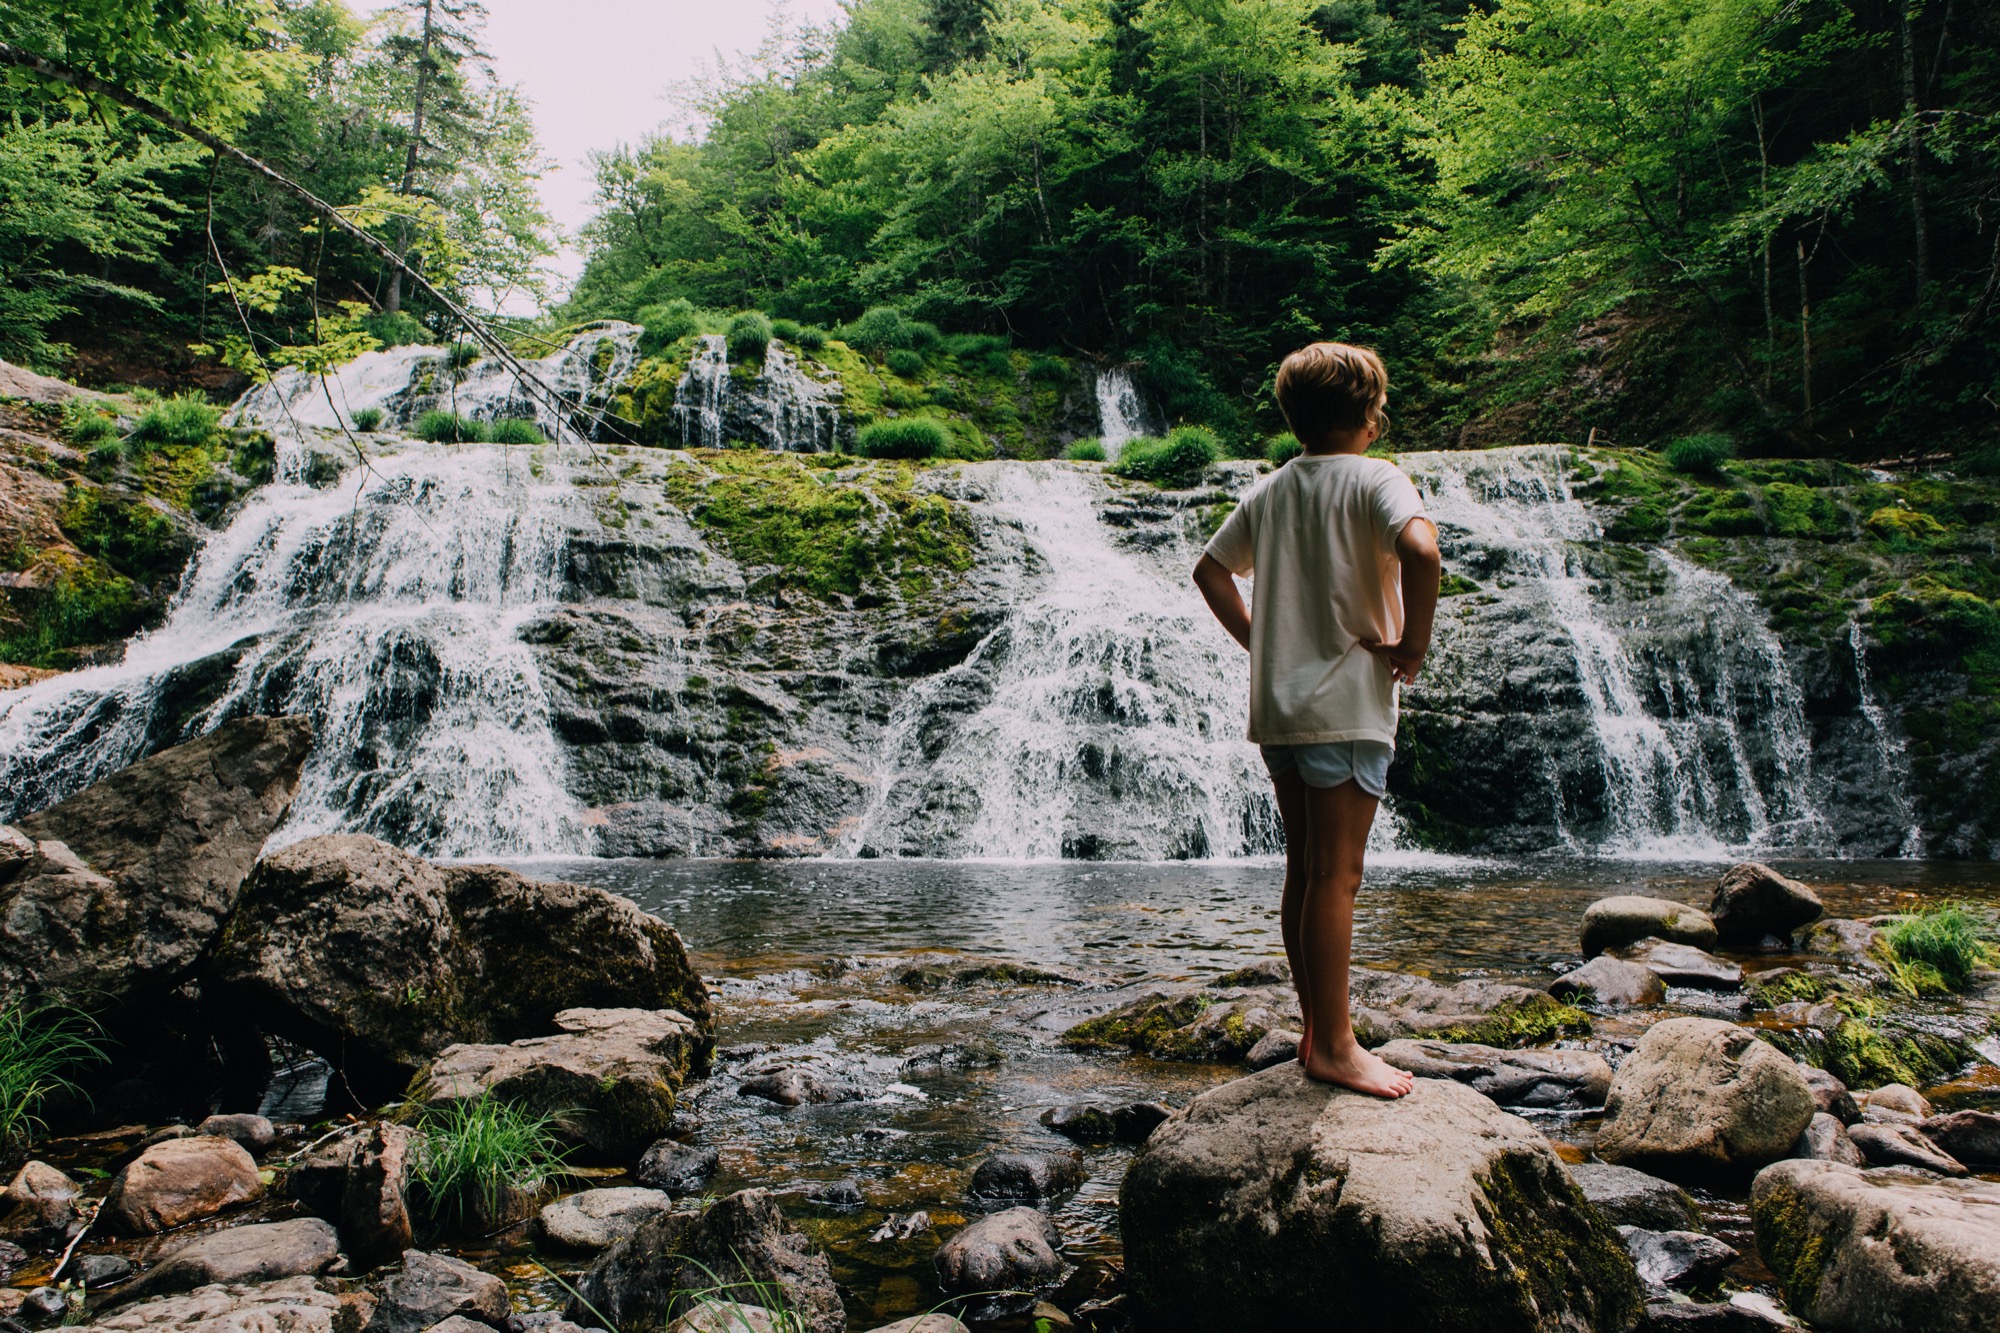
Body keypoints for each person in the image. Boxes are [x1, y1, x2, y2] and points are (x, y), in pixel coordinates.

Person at [1192, 342, 1440, 1098]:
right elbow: (1423, 551)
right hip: (1345, 705)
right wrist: (1413, 645)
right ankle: (1335, 1044)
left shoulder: (1270, 490)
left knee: (1305, 870)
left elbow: (1209, 570)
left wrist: (1260, 641)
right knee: (1338, 875)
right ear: (1368, 417)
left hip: (1281, 708)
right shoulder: (1377, 478)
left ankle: (1313, 1030)